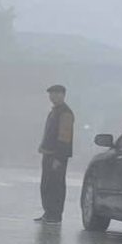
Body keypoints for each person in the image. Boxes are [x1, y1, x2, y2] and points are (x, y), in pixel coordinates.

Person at [37, 82, 76, 223]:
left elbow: (64, 137)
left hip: (56, 156)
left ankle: (55, 215)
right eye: (51, 94)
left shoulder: (65, 113)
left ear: (63, 95)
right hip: (48, 154)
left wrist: (58, 158)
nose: (52, 97)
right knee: (47, 184)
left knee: (56, 186)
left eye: (56, 94)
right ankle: (48, 212)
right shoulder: (54, 111)